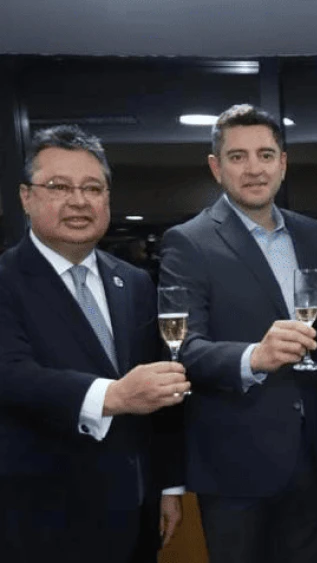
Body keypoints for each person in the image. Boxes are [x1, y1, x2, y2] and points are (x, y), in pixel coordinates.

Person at [158, 104, 317, 563]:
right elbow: (182, 350)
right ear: (216, 167)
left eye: (266, 155)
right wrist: (254, 357)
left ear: (282, 164)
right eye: (238, 156)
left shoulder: (316, 236)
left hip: (311, 458)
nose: (254, 169)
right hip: (235, 464)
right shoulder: (188, 242)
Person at [0, 125, 189, 563]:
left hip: (135, 515)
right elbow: (10, 374)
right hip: (40, 522)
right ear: (26, 197)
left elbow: (160, 389)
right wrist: (114, 396)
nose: (79, 201)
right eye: (58, 187)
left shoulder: (135, 283)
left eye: (92, 188)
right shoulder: (6, 281)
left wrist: (169, 485)